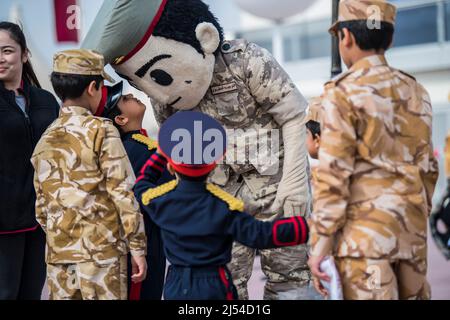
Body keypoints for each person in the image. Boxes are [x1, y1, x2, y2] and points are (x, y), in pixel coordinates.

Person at [82, 0, 313, 300]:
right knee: (226, 280)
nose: (160, 93)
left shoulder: (246, 61)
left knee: (289, 278)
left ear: (205, 39)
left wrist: (295, 184)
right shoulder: (163, 97)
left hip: (275, 186)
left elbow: (293, 115)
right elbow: (172, 149)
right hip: (218, 200)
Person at [308, 0, 439, 300]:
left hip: (364, 244)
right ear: (389, 39)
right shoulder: (416, 91)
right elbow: (428, 168)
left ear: (346, 38)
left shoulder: (342, 92)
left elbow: (333, 175)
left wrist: (320, 246)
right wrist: (417, 214)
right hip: (412, 238)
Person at [133, 111, 310, 300]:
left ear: (171, 165)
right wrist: (306, 227)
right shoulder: (223, 208)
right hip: (214, 286)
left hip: (176, 284)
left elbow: (142, 183)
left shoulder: (160, 201)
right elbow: (260, 235)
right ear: (214, 163)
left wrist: (161, 154)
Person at [30, 49, 147, 300]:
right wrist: (137, 248)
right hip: (101, 257)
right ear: (93, 87)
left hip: (59, 256)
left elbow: (41, 207)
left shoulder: (45, 139)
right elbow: (123, 193)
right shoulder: (101, 130)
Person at [0, 21, 59, 300]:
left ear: (24, 54)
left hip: (41, 220)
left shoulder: (46, 101)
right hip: (3, 221)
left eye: (7, 50)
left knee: (32, 293)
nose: (0, 58)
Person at [98, 82, 173, 299]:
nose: (130, 95)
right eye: (124, 100)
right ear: (121, 120)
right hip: (145, 238)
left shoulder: (122, 147)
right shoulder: (143, 149)